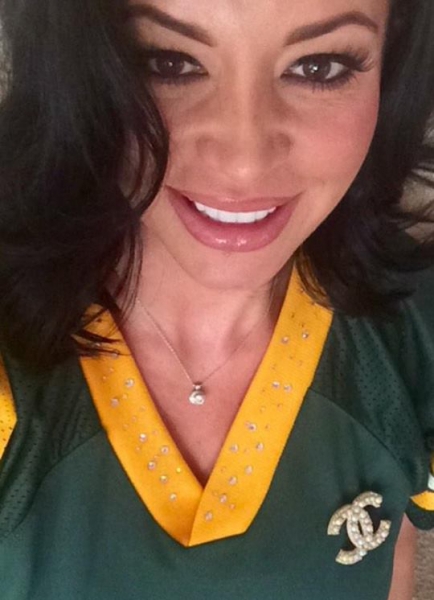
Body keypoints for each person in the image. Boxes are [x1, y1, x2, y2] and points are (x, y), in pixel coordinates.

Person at [0, 0, 433, 598]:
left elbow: (392, 547)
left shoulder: (414, 329)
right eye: (168, 62)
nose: (244, 163)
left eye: (319, 68)